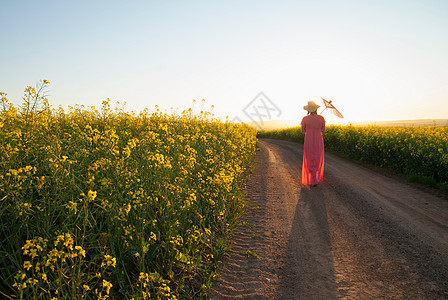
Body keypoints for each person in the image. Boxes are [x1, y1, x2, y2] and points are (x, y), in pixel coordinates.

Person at [301, 101, 325, 187]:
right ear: (316, 109)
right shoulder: (321, 118)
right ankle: (315, 179)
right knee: (317, 158)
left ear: (308, 110)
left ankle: (312, 179)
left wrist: (310, 129)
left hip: (308, 139)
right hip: (318, 139)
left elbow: (302, 131)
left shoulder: (305, 119)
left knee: (309, 158)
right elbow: (323, 130)